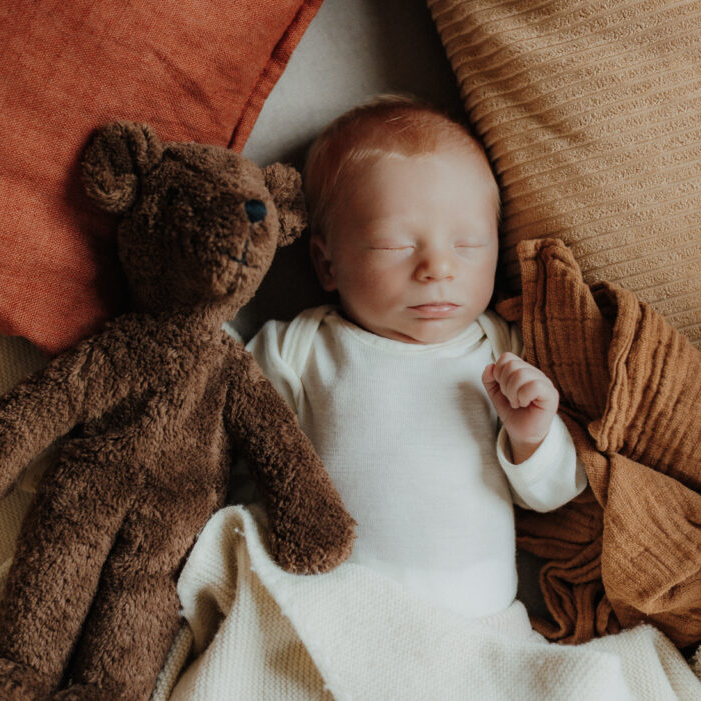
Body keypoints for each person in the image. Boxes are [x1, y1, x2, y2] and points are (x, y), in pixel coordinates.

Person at [246, 95, 586, 636]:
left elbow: (552, 494)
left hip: (477, 625)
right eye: (395, 244)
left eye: (469, 243)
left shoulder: (501, 351)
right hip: (328, 614)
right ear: (326, 262)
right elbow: (234, 457)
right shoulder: (298, 349)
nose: (438, 267)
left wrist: (533, 435)